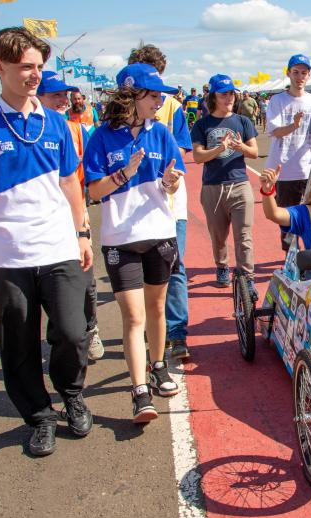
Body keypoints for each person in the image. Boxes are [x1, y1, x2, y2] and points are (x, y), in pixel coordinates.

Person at [0, 27, 93, 456]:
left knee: (71, 331)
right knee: (18, 343)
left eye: (39, 67)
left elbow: (69, 182)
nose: (35, 75)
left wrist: (82, 232)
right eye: (26, 66)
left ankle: (71, 392)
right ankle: (39, 415)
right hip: (5, 256)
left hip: (59, 247)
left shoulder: (57, 124)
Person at [84, 63, 186, 423]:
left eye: (161, 95)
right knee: (133, 316)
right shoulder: (100, 137)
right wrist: (125, 172)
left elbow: (171, 182)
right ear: (133, 95)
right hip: (120, 240)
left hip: (159, 233)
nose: (160, 101)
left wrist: (171, 181)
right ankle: (140, 390)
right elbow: (94, 192)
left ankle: (159, 366)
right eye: (154, 94)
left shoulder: (161, 133)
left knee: (156, 310)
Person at [128, 43, 195, 361]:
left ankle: (177, 332)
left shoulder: (172, 106)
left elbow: (181, 150)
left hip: (169, 199)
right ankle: (149, 329)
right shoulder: (117, 115)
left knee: (175, 265)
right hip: (130, 204)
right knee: (137, 270)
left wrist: (166, 174)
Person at [36, 71, 105, 360]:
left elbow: (87, 171)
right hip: (40, 219)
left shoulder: (76, 129)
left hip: (74, 213)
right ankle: (59, 334)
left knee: (84, 276)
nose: (63, 100)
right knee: (46, 281)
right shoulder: (29, 129)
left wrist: (82, 217)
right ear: (37, 97)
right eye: (55, 95)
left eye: (65, 95)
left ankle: (91, 329)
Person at [191, 74, 259, 288]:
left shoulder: (242, 121)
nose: (229, 97)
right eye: (223, 93)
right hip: (213, 187)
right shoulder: (202, 125)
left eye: (231, 93)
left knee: (244, 235)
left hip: (239, 184)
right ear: (213, 96)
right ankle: (222, 267)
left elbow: (255, 152)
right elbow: (197, 157)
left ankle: (246, 276)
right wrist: (220, 148)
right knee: (218, 235)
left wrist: (241, 148)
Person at [265, 54, 311, 250]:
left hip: (310, 169)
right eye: (296, 72)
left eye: (304, 73)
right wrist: (293, 125)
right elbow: (275, 131)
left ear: (309, 75)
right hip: (284, 169)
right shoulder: (277, 101)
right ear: (288, 74)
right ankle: (291, 258)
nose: (300, 76)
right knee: (288, 219)